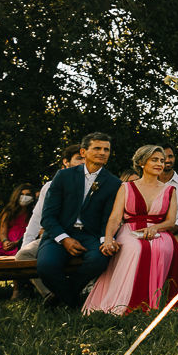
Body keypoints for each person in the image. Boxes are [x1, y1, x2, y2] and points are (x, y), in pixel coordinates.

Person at [84, 145, 178, 314]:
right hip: (130, 229)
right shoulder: (126, 187)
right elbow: (115, 218)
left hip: (160, 230)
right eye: (154, 160)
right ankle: (125, 302)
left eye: (161, 160)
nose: (159, 164)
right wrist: (108, 238)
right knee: (134, 248)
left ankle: (156, 301)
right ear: (142, 162)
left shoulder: (170, 190)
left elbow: (171, 221)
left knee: (162, 248)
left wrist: (156, 227)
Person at [35, 132, 121, 308]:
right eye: (97, 148)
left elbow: (108, 218)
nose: (102, 152)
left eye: (106, 149)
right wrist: (64, 239)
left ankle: (59, 298)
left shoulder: (114, 183)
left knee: (99, 261)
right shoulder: (63, 176)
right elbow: (48, 216)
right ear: (83, 152)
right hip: (59, 233)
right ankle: (74, 302)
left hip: (90, 235)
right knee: (46, 266)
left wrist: (105, 241)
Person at [15, 145, 83, 260]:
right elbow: (36, 218)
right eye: (79, 158)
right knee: (23, 255)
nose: (83, 162)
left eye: (85, 159)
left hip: (82, 237)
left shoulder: (94, 184)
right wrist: (25, 245)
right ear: (66, 162)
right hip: (54, 237)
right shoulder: (50, 186)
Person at [0, 181, 37, 303]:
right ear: (17, 195)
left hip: (22, 243)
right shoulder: (8, 212)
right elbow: (3, 231)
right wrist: (5, 241)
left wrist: (17, 242)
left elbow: (33, 231)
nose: (25, 197)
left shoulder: (33, 213)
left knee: (17, 258)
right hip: (7, 243)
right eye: (22, 194)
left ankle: (16, 291)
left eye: (28, 194)